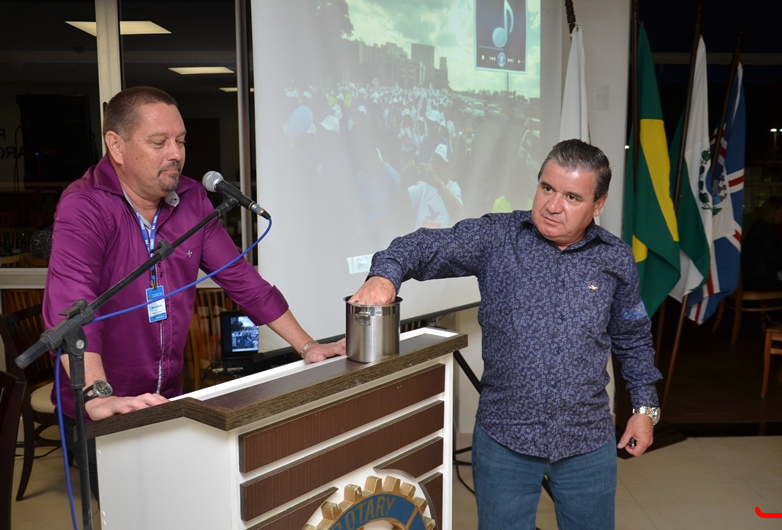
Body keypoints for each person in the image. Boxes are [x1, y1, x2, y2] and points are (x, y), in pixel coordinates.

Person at [43, 86, 346, 500]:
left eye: (181, 141)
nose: (176, 154)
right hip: (105, 403)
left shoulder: (190, 199)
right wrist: (97, 394)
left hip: (168, 398)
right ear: (116, 145)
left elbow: (243, 280)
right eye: (159, 142)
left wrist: (307, 346)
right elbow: (71, 306)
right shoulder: (85, 205)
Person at [350, 139, 662, 530]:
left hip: (586, 441)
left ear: (598, 205)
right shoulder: (498, 237)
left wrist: (644, 410)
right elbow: (423, 245)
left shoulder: (615, 258)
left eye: (571, 197)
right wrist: (384, 275)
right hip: (505, 440)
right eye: (547, 188)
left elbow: (633, 337)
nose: (552, 205)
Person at [741, 196, 782, 292]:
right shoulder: (767, 231)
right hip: (759, 282)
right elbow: (774, 258)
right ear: (773, 213)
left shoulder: (757, 228)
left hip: (748, 280)